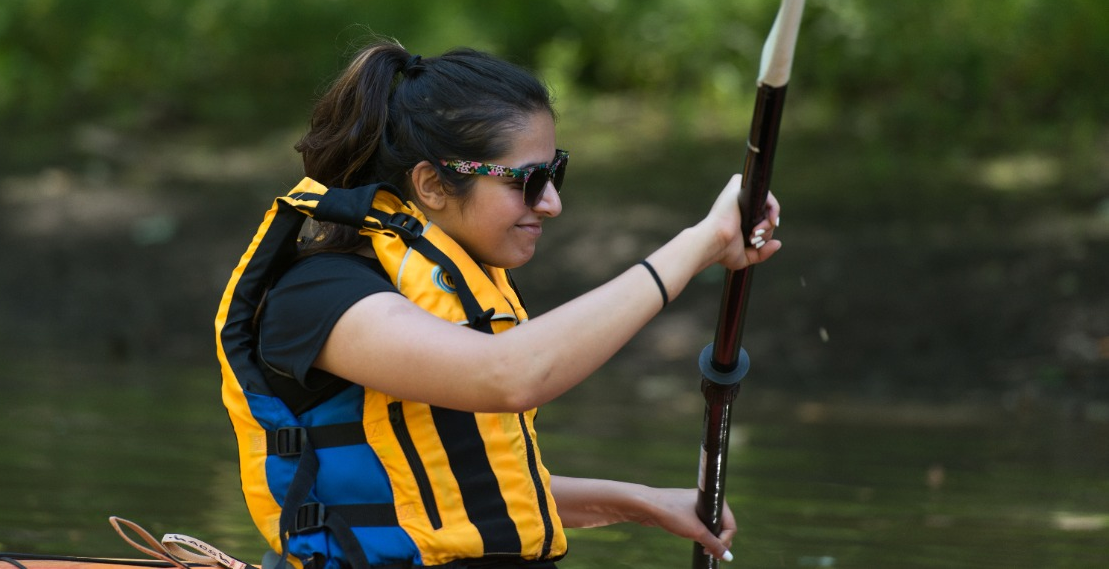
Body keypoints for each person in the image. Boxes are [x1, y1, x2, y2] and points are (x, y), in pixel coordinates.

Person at [214, 39, 781, 569]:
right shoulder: (323, 297)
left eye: (554, 172)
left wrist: (644, 502)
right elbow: (508, 375)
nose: (552, 203)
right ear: (433, 186)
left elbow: (481, 493)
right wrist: (700, 243)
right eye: (530, 181)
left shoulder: (463, 294)